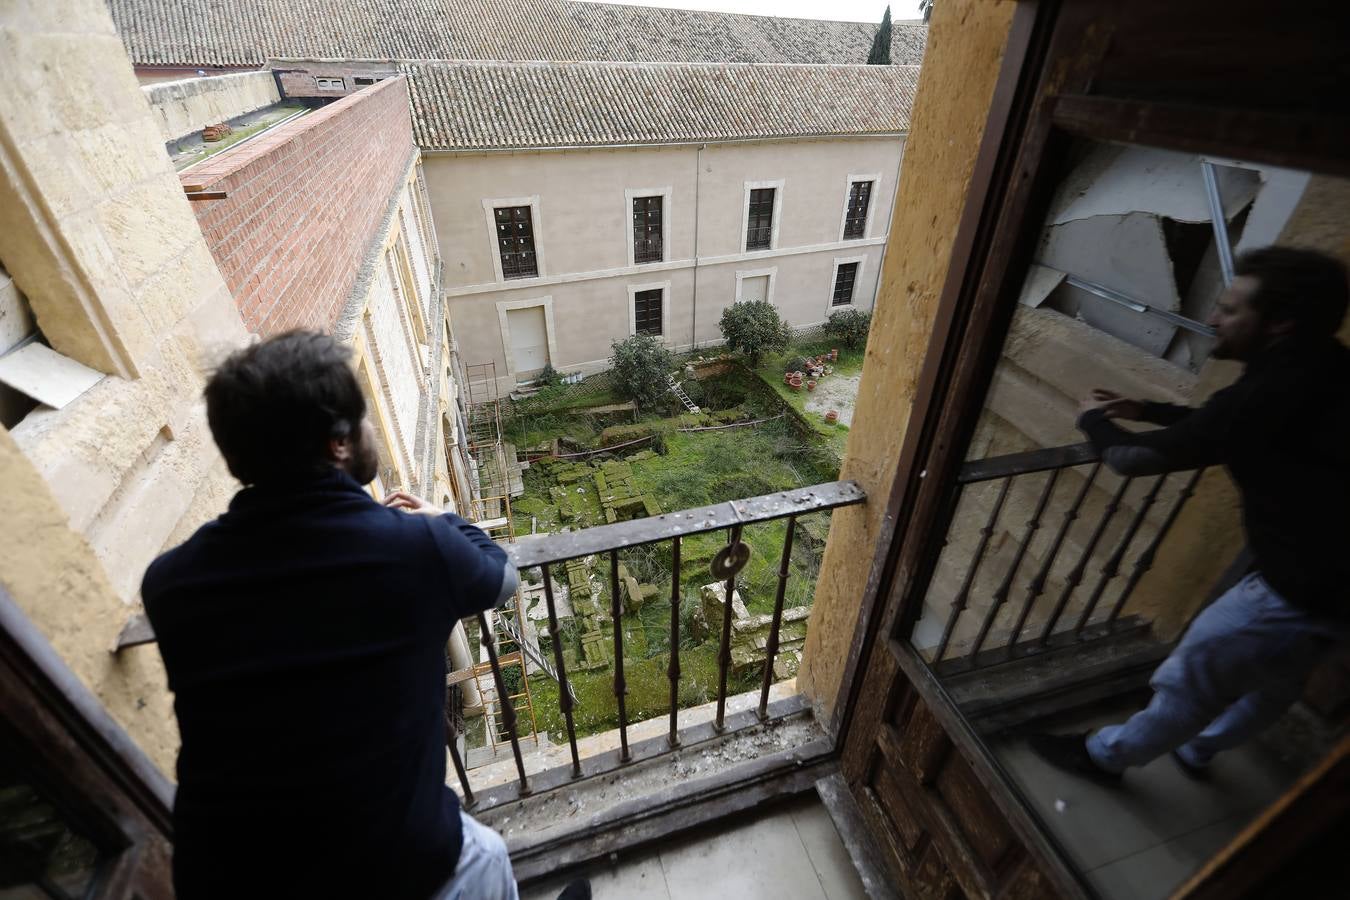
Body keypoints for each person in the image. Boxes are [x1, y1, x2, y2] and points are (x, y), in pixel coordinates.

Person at [142, 331, 562, 899]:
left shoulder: (171, 583)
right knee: (483, 855)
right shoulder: (413, 549)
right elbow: (504, 577)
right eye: (363, 419)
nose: (371, 433)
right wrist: (443, 522)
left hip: (235, 877)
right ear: (338, 444)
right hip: (393, 864)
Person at [1030, 246, 1350, 783]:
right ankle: (1199, 750)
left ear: (1280, 322)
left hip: (1295, 587)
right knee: (1280, 682)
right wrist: (1148, 409)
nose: (1211, 319)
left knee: (1190, 677)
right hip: (1335, 588)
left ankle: (1106, 757)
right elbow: (1225, 425)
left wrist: (1093, 422)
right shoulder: (1327, 365)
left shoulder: (1268, 392)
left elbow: (1128, 460)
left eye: (1228, 310)